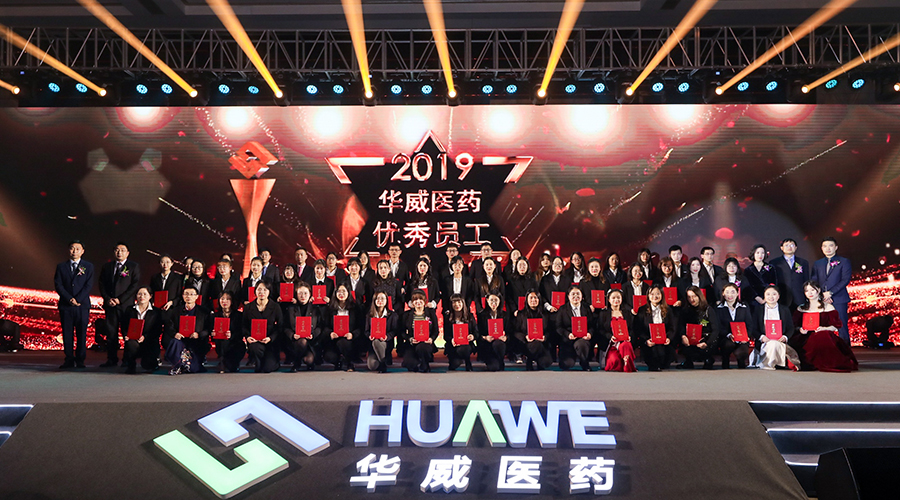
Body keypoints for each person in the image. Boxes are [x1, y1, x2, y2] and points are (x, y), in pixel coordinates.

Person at [790, 281, 858, 372]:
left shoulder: (828, 307)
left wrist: (824, 328)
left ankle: (826, 362)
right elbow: (795, 326)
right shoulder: (801, 308)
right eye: (807, 291)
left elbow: (836, 326)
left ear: (818, 290)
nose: (810, 293)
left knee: (823, 336)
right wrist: (800, 329)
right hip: (805, 336)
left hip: (824, 334)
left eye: (812, 290)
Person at [99, 242, 141, 367]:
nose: (119, 252)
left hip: (126, 306)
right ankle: (111, 359)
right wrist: (108, 299)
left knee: (126, 333)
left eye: (122, 250)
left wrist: (120, 299)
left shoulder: (133, 266)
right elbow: (101, 284)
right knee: (111, 333)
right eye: (117, 250)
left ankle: (127, 359)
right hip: (110, 305)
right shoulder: (107, 266)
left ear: (127, 253)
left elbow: (134, 285)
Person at [54, 240, 94, 369]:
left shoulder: (88, 266)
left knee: (82, 333)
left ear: (82, 251)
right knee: (67, 333)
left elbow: (88, 285)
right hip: (66, 305)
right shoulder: (61, 266)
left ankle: (80, 360)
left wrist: (78, 299)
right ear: (68, 250)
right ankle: (69, 359)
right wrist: (69, 299)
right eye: (72, 248)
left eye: (77, 249)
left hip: (82, 306)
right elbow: (58, 285)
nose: (74, 251)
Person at [811, 237, 852, 344]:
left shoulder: (844, 261)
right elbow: (814, 281)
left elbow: (845, 280)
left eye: (831, 245)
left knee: (841, 325)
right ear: (821, 248)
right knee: (822, 326)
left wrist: (830, 293)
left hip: (839, 299)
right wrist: (821, 295)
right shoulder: (818, 263)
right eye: (825, 246)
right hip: (822, 300)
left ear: (836, 247)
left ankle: (845, 351)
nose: (828, 248)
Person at [751, 285, 800, 371]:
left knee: (775, 343)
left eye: (774, 294)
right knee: (772, 343)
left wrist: (785, 337)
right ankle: (770, 363)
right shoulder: (759, 309)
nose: (771, 297)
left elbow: (790, 327)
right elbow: (753, 328)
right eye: (768, 294)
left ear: (778, 296)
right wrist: (761, 337)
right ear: (764, 296)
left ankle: (770, 364)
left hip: (780, 340)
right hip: (765, 341)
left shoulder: (784, 309)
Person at [163, 286, 210, 375]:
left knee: (194, 369)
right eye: (186, 294)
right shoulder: (175, 311)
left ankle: (183, 365)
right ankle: (178, 365)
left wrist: (199, 334)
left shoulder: (204, 311)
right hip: (181, 340)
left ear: (197, 296)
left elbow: (208, 329)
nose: (189, 296)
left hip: (196, 341)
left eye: (192, 294)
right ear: (183, 296)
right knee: (175, 342)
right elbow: (169, 325)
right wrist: (175, 334)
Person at [121, 286, 164, 374]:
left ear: (150, 296)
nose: (142, 296)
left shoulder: (156, 311)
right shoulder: (130, 310)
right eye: (139, 294)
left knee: (147, 365)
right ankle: (131, 366)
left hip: (149, 342)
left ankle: (153, 362)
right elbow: (124, 325)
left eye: (145, 294)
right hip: (134, 340)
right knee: (130, 343)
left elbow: (157, 329)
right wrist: (126, 335)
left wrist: (145, 337)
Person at [243, 281, 283, 373]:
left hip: (270, 343)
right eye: (259, 289)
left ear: (269, 291)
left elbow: (280, 326)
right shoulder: (248, 307)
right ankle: (257, 362)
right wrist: (248, 337)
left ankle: (271, 362)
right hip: (255, 342)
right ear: (255, 291)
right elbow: (244, 325)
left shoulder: (275, 307)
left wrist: (270, 338)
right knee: (255, 349)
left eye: (265, 290)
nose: (262, 292)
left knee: (267, 368)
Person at [635, 285, 677, 371]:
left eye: (658, 294)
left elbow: (673, 327)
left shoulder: (668, 310)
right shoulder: (642, 310)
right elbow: (638, 329)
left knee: (664, 355)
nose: (655, 296)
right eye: (652, 294)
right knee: (653, 354)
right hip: (649, 342)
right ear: (648, 296)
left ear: (662, 295)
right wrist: (646, 340)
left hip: (664, 342)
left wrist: (668, 338)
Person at [677, 286, 719, 370]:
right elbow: (681, 326)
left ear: (699, 296)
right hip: (691, 338)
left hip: (706, 338)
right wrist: (683, 336)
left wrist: (707, 343)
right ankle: (688, 361)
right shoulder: (685, 310)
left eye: (694, 296)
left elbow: (716, 330)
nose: (692, 299)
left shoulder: (708, 309)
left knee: (707, 347)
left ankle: (708, 359)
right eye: (689, 297)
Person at [322, 283, 361, 371]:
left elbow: (360, 327)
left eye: (344, 291)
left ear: (348, 293)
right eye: (339, 291)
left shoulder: (355, 308)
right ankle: (338, 361)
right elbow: (325, 326)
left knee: (343, 343)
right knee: (328, 356)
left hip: (350, 341)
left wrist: (352, 334)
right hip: (334, 340)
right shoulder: (330, 308)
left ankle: (349, 363)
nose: (341, 293)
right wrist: (330, 333)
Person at [284, 282, 320, 372]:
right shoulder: (291, 309)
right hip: (295, 342)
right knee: (301, 342)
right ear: (296, 294)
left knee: (309, 360)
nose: (303, 296)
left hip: (311, 342)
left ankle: (305, 359)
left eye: (305, 293)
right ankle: (296, 363)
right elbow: (285, 327)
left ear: (310, 294)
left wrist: (313, 335)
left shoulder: (315, 308)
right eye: (300, 293)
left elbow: (320, 327)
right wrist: (292, 335)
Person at [556, 285, 594, 371]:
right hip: (567, 340)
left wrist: (589, 334)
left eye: (578, 294)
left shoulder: (586, 308)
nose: (576, 296)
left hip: (582, 339)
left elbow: (592, 325)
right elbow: (558, 327)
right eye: (573, 294)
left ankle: (584, 362)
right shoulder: (563, 309)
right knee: (567, 364)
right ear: (568, 296)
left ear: (582, 296)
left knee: (581, 344)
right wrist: (567, 334)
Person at [597, 289, 636, 372]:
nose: (616, 300)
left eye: (618, 297)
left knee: (625, 345)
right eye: (613, 298)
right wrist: (610, 337)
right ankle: (626, 362)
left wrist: (629, 336)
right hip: (611, 344)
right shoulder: (604, 313)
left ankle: (627, 364)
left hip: (624, 342)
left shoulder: (627, 313)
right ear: (609, 300)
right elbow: (600, 330)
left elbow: (632, 328)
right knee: (614, 361)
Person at [401, 289, 439, 372]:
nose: (418, 301)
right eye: (415, 299)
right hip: (412, 344)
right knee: (409, 364)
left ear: (425, 300)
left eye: (420, 299)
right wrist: (410, 339)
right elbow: (402, 332)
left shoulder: (431, 313)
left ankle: (425, 363)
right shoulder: (406, 315)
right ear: (412, 302)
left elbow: (436, 331)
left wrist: (431, 339)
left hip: (426, 343)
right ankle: (417, 361)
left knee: (422, 347)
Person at [715, 283, 752, 369]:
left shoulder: (744, 307)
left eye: (732, 292)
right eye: (727, 292)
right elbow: (718, 326)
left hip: (742, 338)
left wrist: (746, 336)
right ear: (723, 294)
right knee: (728, 344)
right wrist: (728, 335)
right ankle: (725, 361)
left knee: (742, 352)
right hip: (726, 337)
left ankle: (741, 362)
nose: (730, 295)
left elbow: (749, 324)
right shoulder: (718, 308)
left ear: (737, 293)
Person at [514, 290, 553, 370]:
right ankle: (530, 360)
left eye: (535, 298)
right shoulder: (521, 314)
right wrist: (525, 337)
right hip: (526, 343)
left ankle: (535, 360)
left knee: (547, 362)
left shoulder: (545, 314)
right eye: (531, 298)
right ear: (527, 300)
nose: (533, 300)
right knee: (535, 344)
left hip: (542, 343)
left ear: (539, 299)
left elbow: (550, 330)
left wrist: (545, 337)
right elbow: (515, 332)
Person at [772, 238, 810, 311]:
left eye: (792, 245)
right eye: (786, 245)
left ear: (796, 247)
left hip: (799, 297)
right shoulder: (775, 263)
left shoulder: (803, 262)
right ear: (781, 248)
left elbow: (806, 280)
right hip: (782, 297)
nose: (789, 247)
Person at [211, 291, 245, 373]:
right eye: (222, 299)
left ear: (232, 301)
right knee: (223, 341)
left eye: (228, 299)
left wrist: (231, 335)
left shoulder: (239, 315)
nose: (224, 301)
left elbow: (241, 332)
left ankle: (225, 363)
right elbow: (210, 332)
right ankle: (222, 362)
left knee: (231, 366)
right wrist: (213, 334)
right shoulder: (215, 316)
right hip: (221, 344)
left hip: (236, 344)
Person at [365, 291, 398, 372]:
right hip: (373, 345)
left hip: (386, 342)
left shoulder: (392, 315)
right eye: (377, 298)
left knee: (377, 342)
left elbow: (395, 331)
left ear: (386, 300)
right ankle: (384, 359)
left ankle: (383, 364)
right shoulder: (369, 315)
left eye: (382, 298)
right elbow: (366, 331)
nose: (380, 300)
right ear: (374, 301)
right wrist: (369, 335)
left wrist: (387, 336)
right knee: (372, 366)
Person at [443, 294, 477, 371]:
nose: (457, 304)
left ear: (463, 303)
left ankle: (468, 362)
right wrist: (451, 340)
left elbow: (476, 332)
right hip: (453, 345)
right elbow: (446, 335)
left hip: (466, 344)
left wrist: (472, 336)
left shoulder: (470, 316)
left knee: (465, 349)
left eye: (459, 302)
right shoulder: (448, 317)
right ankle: (456, 359)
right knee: (454, 365)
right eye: (454, 302)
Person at [477, 292, 508, 371]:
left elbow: (510, 331)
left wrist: (506, 337)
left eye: (496, 300)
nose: (494, 302)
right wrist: (485, 337)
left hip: (500, 344)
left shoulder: (505, 315)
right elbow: (478, 333)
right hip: (487, 345)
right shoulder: (481, 315)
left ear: (500, 301)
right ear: (487, 300)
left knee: (498, 344)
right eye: (491, 300)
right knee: (493, 367)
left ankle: (500, 360)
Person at [744, 244, 779, 315]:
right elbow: (747, 286)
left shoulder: (770, 268)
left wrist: (767, 297)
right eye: (757, 253)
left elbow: (774, 283)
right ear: (753, 254)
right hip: (753, 301)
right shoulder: (748, 270)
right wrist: (757, 298)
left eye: (762, 253)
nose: (760, 255)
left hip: (769, 299)